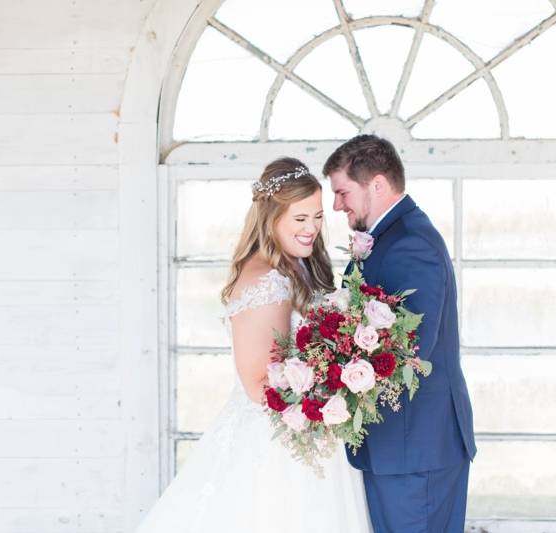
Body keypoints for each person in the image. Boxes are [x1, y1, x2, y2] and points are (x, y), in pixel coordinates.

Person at [134, 157, 372, 533]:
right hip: (279, 447)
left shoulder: (292, 269)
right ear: (272, 216)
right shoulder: (269, 281)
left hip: (306, 434)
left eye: (317, 216)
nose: (312, 228)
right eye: (300, 219)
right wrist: (333, 389)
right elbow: (260, 383)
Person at [323, 135, 477, 533]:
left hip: (417, 448)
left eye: (342, 192)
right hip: (396, 448)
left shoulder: (411, 244)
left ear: (377, 184)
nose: (337, 205)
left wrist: (328, 379)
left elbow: (408, 350)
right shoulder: (390, 238)